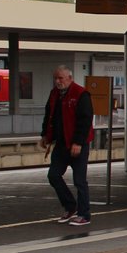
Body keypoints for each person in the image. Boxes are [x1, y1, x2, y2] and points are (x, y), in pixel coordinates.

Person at [39, 66, 94, 226]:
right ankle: (71, 207)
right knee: (53, 175)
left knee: (80, 181)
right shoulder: (54, 94)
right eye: (55, 78)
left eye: (61, 78)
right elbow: (49, 115)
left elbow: (85, 120)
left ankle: (85, 214)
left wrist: (78, 142)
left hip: (78, 145)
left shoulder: (80, 94)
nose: (57, 81)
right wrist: (45, 135)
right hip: (62, 144)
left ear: (70, 78)